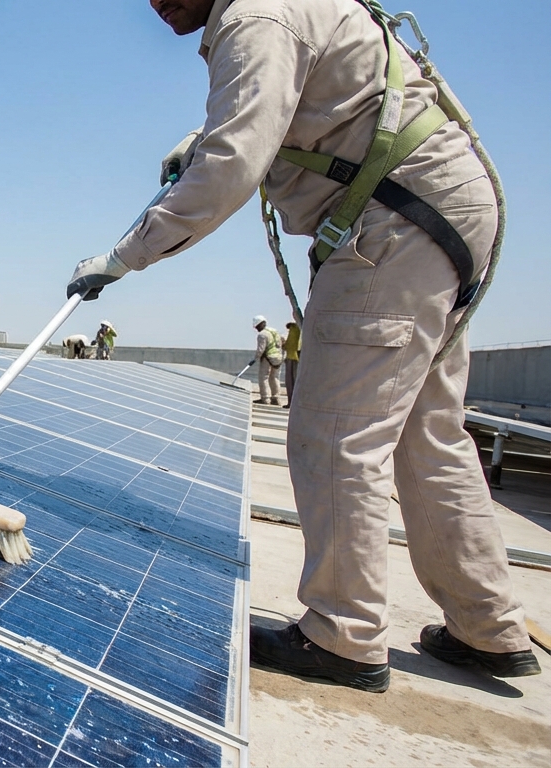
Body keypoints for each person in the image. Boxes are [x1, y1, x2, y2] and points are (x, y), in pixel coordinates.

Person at [66, 0, 538, 691]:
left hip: (394, 221)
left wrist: (125, 255)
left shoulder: (255, 18)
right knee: (426, 434)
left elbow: (233, 162)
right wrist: (201, 137)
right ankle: (488, 627)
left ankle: (344, 635)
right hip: (438, 214)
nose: (155, 3)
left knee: (337, 436)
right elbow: (305, 106)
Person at [250, 315, 283, 405]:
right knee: (275, 377)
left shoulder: (262, 335)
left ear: (260, 324)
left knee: (263, 377)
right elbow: (282, 342)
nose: (256, 329)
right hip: (279, 357)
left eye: (257, 326)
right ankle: (276, 398)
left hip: (268, 358)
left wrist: (255, 358)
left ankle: (265, 399)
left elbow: (261, 350)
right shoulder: (275, 331)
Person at [283, 319, 301, 408]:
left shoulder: (294, 328)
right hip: (296, 357)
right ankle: (293, 403)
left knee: (291, 382)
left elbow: (290, 345)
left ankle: (291, 402)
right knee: (295, 382)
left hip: (293, 358)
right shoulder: (300, 328)